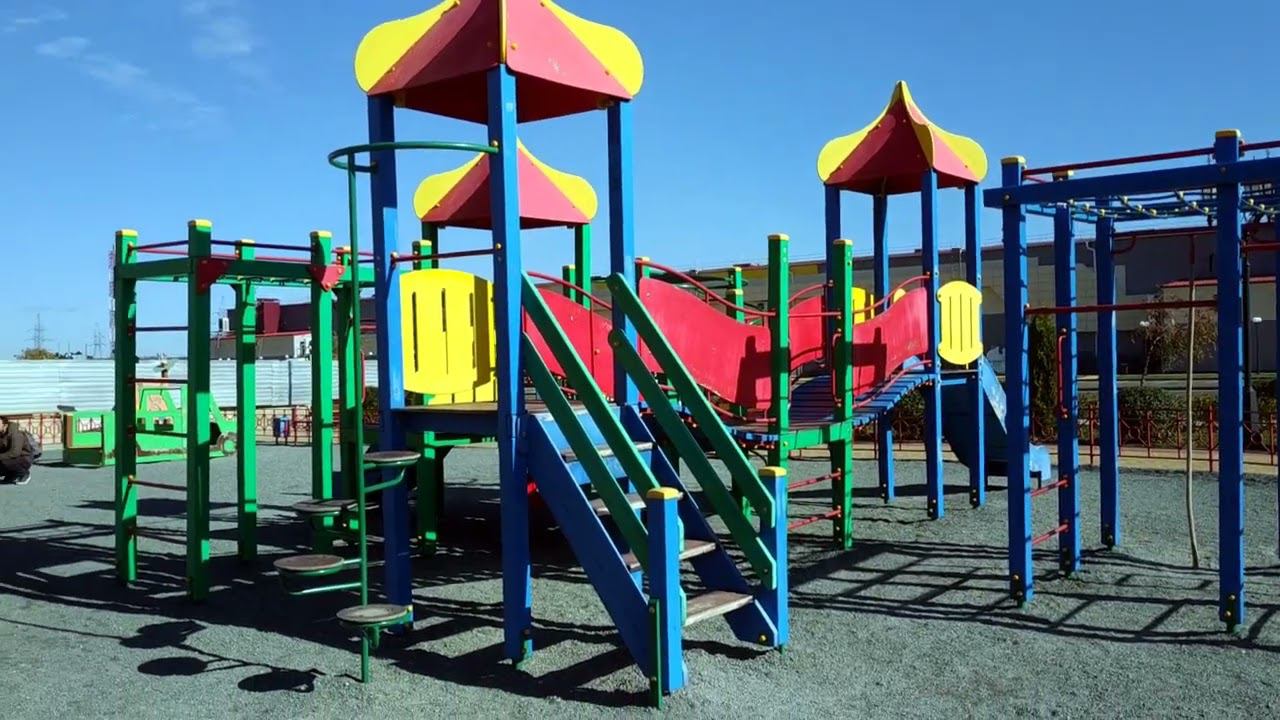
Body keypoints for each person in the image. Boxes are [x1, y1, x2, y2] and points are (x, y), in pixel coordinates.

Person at [0, 415, 34, 485]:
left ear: (5, 424)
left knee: (4, 462)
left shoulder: (16, 433)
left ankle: (24, 473)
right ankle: (11, 475)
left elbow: (15, 453)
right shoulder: (1, 433)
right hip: (9, 458)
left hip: (23, 458)